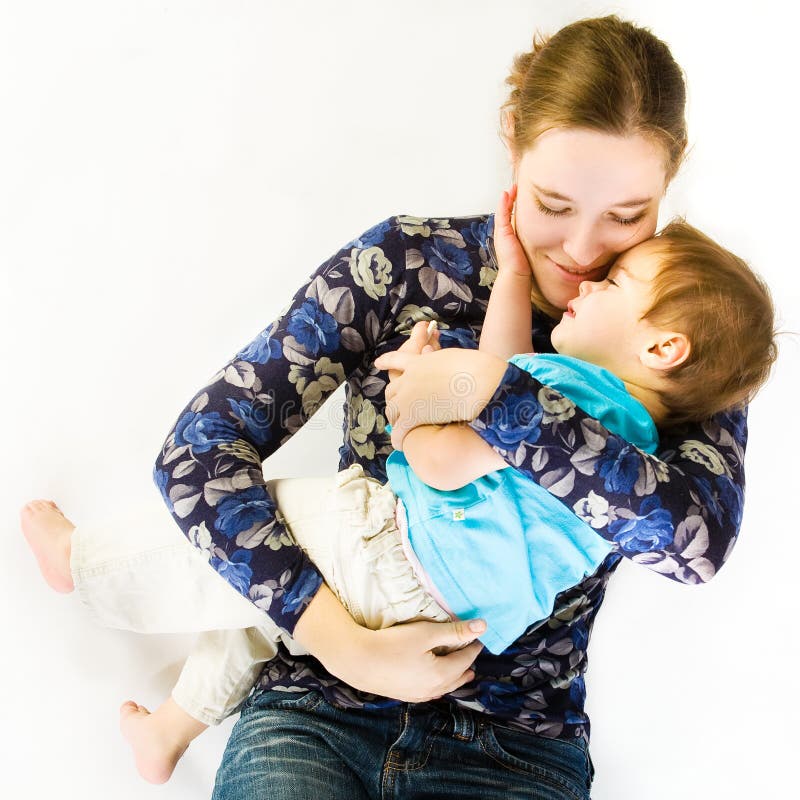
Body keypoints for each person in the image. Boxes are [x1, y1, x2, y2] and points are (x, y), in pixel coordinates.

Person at [19, 15, 762, 799]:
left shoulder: (684, 329)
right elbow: (201, 450)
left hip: (514, 743)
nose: (582, 253)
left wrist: (485, 393)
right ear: (512, 139)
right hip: (316, 702)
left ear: (671, 182)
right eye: (552, 203)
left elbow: (694, 541)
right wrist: (337, 642)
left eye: (625, 217)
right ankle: (113, 603)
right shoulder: (404, 263)